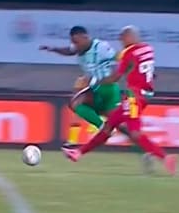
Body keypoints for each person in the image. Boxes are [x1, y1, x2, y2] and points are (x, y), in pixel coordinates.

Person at [61, 25, 177, 176]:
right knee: (109, 127)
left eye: (122, 39)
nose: (121, 42)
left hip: (134, 97)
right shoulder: (148, 49)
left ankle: (164, 157)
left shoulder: (126, 52)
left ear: (129, 37)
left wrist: (95, 82)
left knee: (134, 133)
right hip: (141, 94)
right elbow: (141, 67)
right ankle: (78, 153)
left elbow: (116, 76)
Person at [40, 26, 147, 160]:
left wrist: (139, 71)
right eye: (73, 42)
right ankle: (143, 148)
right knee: (117, 123)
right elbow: (69, 51)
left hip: (107, 87)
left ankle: (102, 129)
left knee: (77, 102)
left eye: (77, 42)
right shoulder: (79, 47)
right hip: (97, 88)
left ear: (85, 37)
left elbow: (121, 57)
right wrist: (53, 49)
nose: (75, 46)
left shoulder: (101, 48)